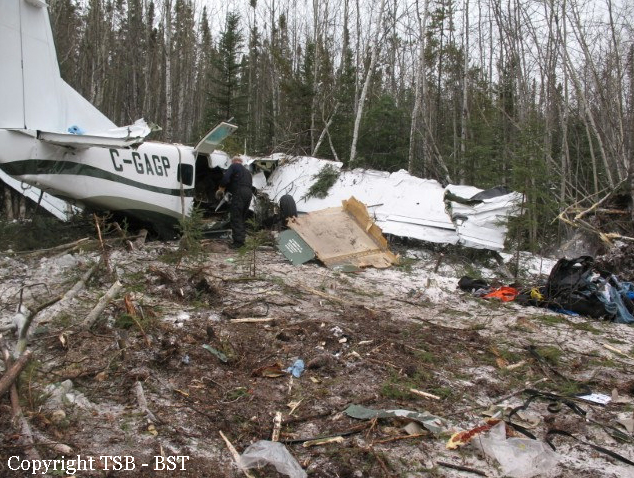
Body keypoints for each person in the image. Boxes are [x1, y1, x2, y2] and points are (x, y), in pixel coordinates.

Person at [215, 156, 253, 248]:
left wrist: (221, 188)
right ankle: (242, 240)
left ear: (233, 161)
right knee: (241, 217)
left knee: (236, 217)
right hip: (249, 194)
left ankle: (238, 243)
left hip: (239, 193)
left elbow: (226, 179)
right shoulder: (247, 172)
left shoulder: (234, 166)